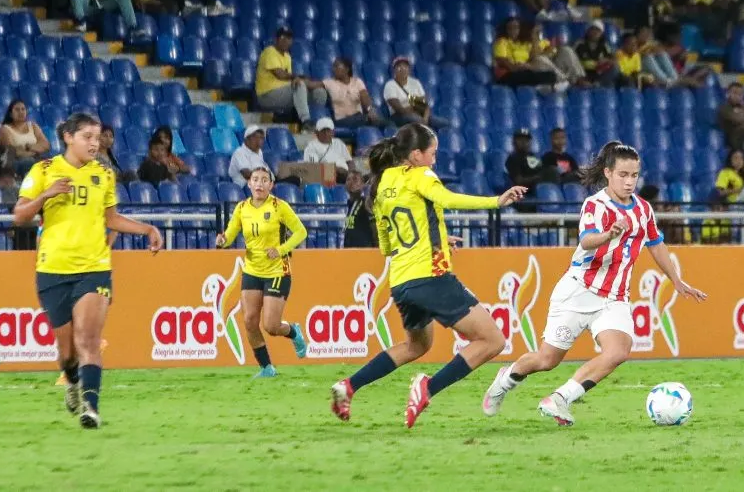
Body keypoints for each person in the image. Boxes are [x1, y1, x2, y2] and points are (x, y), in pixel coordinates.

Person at [481, 141, 707, 426]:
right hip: (578, 292)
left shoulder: (643, 210)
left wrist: (677, 280)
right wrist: (609, 235)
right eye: (623, 175)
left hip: (614, 297)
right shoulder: (595, 205)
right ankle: (505, 379)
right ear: (608, 173)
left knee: (618, 352)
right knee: (547, 360)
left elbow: (656, 244)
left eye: (634, 175)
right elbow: (586, 241)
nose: (629, 181)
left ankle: (560, 399)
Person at [329, 124, 527, 428]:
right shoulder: (420, 175)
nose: (435, 160)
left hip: (402, 282)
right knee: (492, 340)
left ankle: (349, 386)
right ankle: (428, 388)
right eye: (432, 153)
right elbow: (447, 199)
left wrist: (434, 239)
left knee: (417, 346)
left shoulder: (382, 184)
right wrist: (495, 201)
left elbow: (386, 246)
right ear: (415, 155)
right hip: (431, 276)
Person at [13, 113, 163, 428]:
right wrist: (46, 195)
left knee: (89, 339)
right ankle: (71, 380)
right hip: (53, 270)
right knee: (67, 352)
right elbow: (19, 216)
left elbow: (112, 219)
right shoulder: (43, 171)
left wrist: (147, 228)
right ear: (68, 137)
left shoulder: (104, 175)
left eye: (98, 138)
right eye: (87, 137)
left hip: (94, 268)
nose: (95, 144)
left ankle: (91, 408)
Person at [216, 167, 308, 377]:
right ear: (249, 184)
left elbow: (301, 231)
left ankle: (294, 331)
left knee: (271, 326)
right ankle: (266, 367)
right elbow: (230, 235)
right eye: (255, 179)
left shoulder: (279, 206)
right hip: (252, 270)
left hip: (277, 271)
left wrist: (282, 250)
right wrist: (223, 241)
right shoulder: (241, 208)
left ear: (270, 185)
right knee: (249, 320)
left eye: (264, 180)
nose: (259, 184)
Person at [255, 27, 326, 130]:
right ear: (277, 39)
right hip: (267, 95)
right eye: (283, 38)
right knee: (299, 85)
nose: (286, 41)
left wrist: (302, 80)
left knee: (319, 92)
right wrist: (298, 78)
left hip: (283, 94)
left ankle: (319, 123)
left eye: (289, 39)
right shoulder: (269, 51)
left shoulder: (287, 56)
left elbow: (289, 78)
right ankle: (306, 122)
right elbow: (280, 75)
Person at [383, 56, 448, 129]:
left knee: (444, 123)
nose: (403, 69)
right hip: (399, 117)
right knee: (415, 119)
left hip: (420, 114)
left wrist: (425, 119)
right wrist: (416, 106)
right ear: (394, 70)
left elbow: (425, 104)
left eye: (405, 67)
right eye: (399, 67)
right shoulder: (390, 85)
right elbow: (400, 109)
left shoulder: (415, 82)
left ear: (409, 70)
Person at [316, 57, 382, 128]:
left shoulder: (357, 81)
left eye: (336, 66)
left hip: (358, 117)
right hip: (342, 120)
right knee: (368, 120)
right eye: (333, 67)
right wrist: (302, 79)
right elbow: (312, 84)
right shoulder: (329, 82)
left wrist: (370, 110)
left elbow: (365, 96)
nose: (333, 69)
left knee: (388, 124)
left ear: (347, 69)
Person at [303, 118, 352, 182]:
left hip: (346, 176)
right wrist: (336, 169)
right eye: (323, 131)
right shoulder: (311, 147)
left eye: (328, 130)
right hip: (328, 178)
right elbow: (313, 168)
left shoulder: (339, 142)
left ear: (333, 132)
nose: (326, 133)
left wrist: (351, 173)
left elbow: (349, 161)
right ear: (317, 133)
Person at [574, 21, 618, 86]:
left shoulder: (605, 45)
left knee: (615, 68)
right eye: (592, 29)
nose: (595, 32)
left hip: (598, 74)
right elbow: (572, 60)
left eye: (598, 30)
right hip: (583, 73)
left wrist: (606, 60)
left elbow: (614, 60)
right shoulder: (579, 44)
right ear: (587, 31)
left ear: (601, 33)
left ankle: (597, 84)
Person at [342, 172, 376, 248]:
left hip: (365, 251)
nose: (351, 182)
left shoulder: (366, 202)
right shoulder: (349, 205)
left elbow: (374, 226)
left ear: (362, 184)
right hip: (350, 251)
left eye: (355, 179)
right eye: (348, 179)